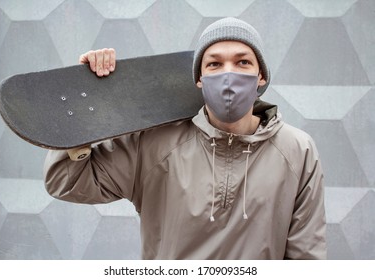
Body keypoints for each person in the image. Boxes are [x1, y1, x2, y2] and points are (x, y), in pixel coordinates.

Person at [44, 17, 326, 259]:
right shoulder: (155, 143)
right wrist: (83, 103)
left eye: (242, 62)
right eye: (215, 64)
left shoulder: (296, 150)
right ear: (199, 79)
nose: (229, 73)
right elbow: (67, 183)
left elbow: (306, 255)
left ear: (261, 76)